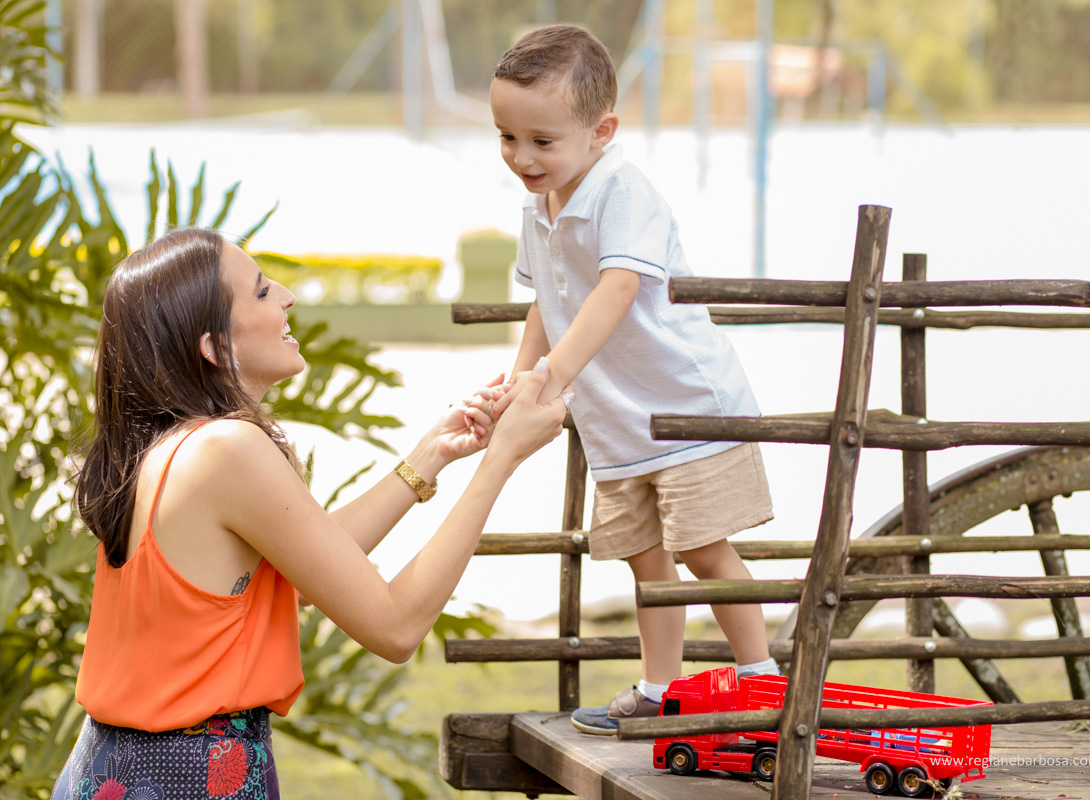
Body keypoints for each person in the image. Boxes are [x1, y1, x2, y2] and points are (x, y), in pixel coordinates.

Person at [52, 227, 569, 800]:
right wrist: (502, 459)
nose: (288, 296)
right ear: (215, 346)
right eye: (263, 291)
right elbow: (396, 628)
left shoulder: (171, 447)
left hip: (113, 767)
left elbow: (301, 573)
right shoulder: (228, 448)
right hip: (188, 775)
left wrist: (433, 454)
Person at [487, 24, 779, 736]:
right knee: (644, 559)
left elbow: (616, 290)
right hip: (618, 420)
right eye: (506, 137)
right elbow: (545, 303)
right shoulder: (540, 205)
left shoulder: (623, 190)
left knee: (705, 549)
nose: (522, 158)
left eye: (542, 141)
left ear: (601, 130)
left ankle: (764, 679)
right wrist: (519, 376)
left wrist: (553, 375)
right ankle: (659, 688)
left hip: (684, 407)